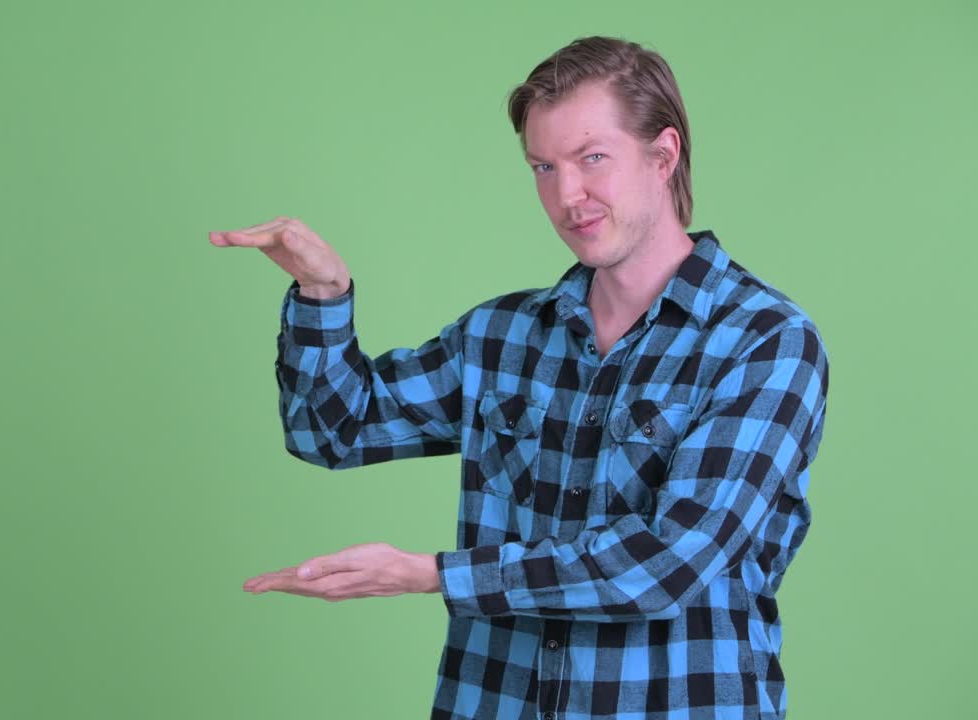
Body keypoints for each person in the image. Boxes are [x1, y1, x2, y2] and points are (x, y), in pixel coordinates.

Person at [212, 35, 829, 720]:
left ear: (663, 155)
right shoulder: (501, 337)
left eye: (592, 158)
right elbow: (333, 430)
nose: (568, 195)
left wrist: (432, 575)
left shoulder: (765, 341)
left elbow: (665, 564)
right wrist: (322, 293)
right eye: (542, 166)